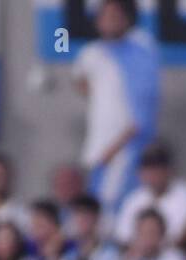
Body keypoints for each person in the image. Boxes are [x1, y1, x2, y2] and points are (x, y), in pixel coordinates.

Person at [73, 0, 160, 214]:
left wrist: (115, 147)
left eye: (116, 14)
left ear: (128, 18)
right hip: (98, 147)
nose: (110, 20)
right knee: (95, 209)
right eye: (105, 14)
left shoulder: (142, 49)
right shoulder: (91, 53)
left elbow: (144, 112)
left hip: (125, 148)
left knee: (118, 206)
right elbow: (79, 80)